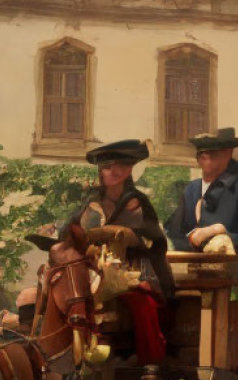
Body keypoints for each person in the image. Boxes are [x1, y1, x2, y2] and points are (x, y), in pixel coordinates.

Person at [67, 139, 174, 366]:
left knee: (142, 306)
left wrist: (129, 237)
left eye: (121, 166)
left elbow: (154, 240)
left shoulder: (138, 202)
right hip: (90, 272)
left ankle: (151, 370)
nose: (114, 171)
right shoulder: (89, 202)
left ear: (129, 170)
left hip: (132, 272)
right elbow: (69, 232)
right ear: (100, 171)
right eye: (107, 166)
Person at [166, 126, 238, 255]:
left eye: (213, 154)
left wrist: (223, 235)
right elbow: (174, 230)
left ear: (227, 154)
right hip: (194, 266)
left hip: (235, 268)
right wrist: (192, 238)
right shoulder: (191, 190)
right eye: (202, 155)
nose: (206, 159)